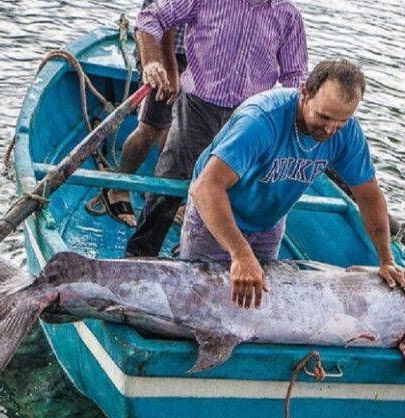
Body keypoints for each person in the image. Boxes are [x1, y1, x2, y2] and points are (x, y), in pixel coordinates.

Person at [181, 59, 405, 309]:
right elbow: (206, 187)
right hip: (218, 214)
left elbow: (368, 193)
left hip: (269, 220)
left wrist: (387, 260)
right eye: (324, 117)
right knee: (199, 301)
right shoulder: (261, 120)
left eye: (341, 122)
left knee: (256, 301)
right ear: (305, 92)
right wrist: (240, 253)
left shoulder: (346, 132)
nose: (330, 130)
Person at [125, 0, 308, 257]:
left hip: (250, 117)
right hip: (198, 106)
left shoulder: (288, 16)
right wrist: (153, 62)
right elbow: (150, 18)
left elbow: (295, 75)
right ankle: (141, 253)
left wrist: (290, 125)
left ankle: (206, 250)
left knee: (235, 188)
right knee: (171, 178)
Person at [102, 0, 187, 228]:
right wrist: (169, 68)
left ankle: (165, 191)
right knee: (152, 127)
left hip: (195, 56)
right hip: (158, 51)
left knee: (179, 129)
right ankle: (118, 189)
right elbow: (162, 20)